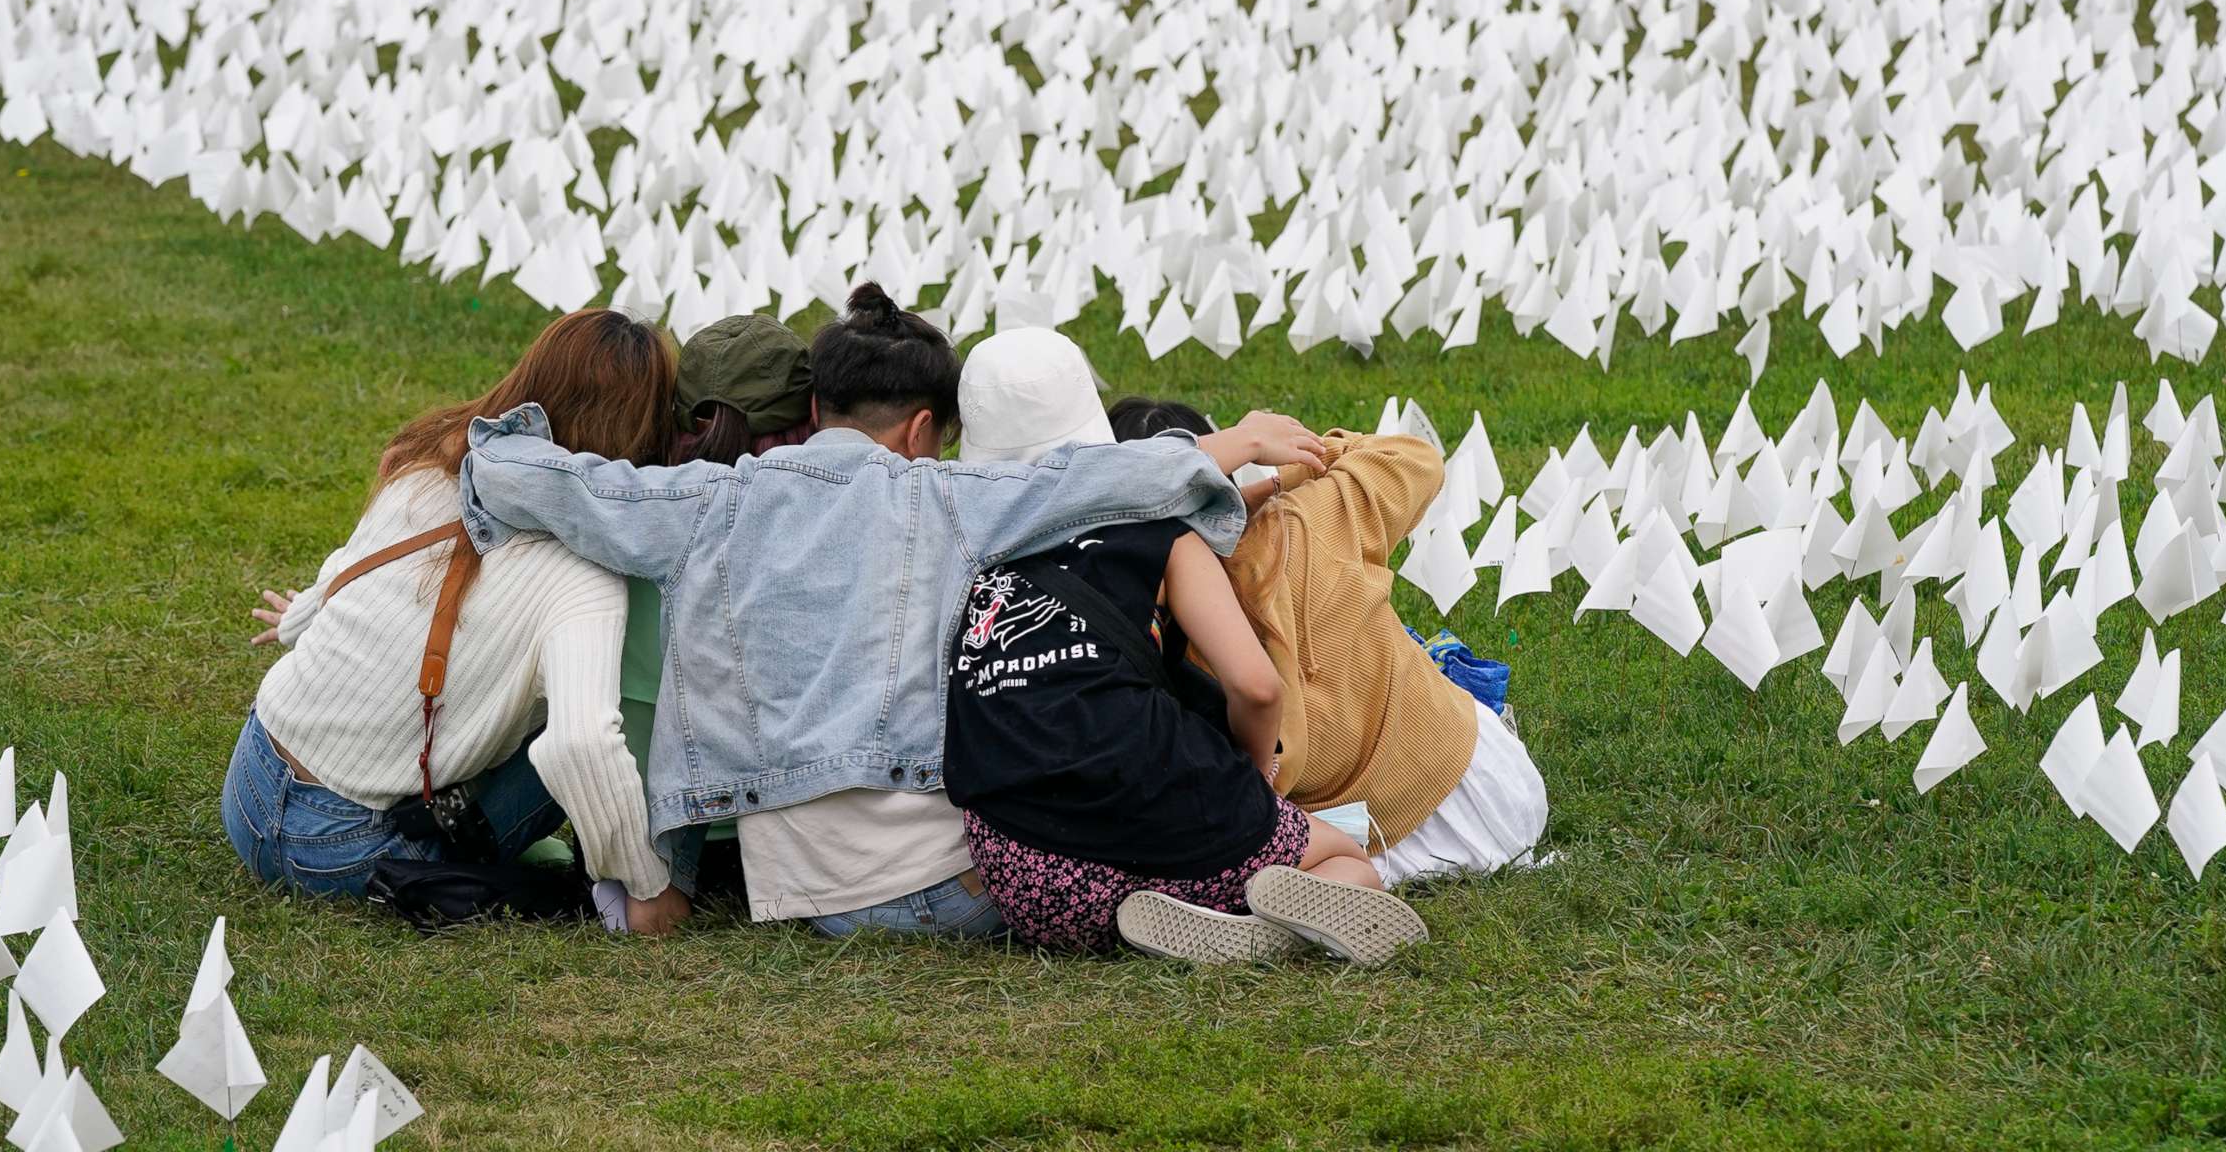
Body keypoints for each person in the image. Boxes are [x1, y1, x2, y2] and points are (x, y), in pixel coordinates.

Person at [455, 283, 1327, 940]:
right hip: (949, 889)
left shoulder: (705, 503)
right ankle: (1220, 886)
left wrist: (491, 451)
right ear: (919, 430)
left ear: (813, 408)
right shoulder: (941, 497)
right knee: (1119, 807)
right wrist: (1237, 442)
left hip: (796, 897)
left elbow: (572, 486)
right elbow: (1084, 478)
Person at [946, 330, 1430, 965]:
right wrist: (1255, 783)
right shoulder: (1162, 536)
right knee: (1347, 860)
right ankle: (1262, 926)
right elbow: (1257, 688)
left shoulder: (971, 550)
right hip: (1158, 799)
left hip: (1026, 883)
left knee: (1151, 844)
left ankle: (1173, 906)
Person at [225, 309, 690, 935]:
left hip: (250, 781)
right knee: (604, 713)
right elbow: (583, 744)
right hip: (343, 853)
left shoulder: (429, 466)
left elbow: (355, 563)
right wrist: (647, 886)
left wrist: (305, 619)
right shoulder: (585, 573)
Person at [1111, 398, 1549, 889]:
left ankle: (1267, 893)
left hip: (1357, 836)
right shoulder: (1313, 516)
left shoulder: (1131, 613)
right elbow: (1416, 458)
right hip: (1489, 787)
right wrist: (1278, 480)